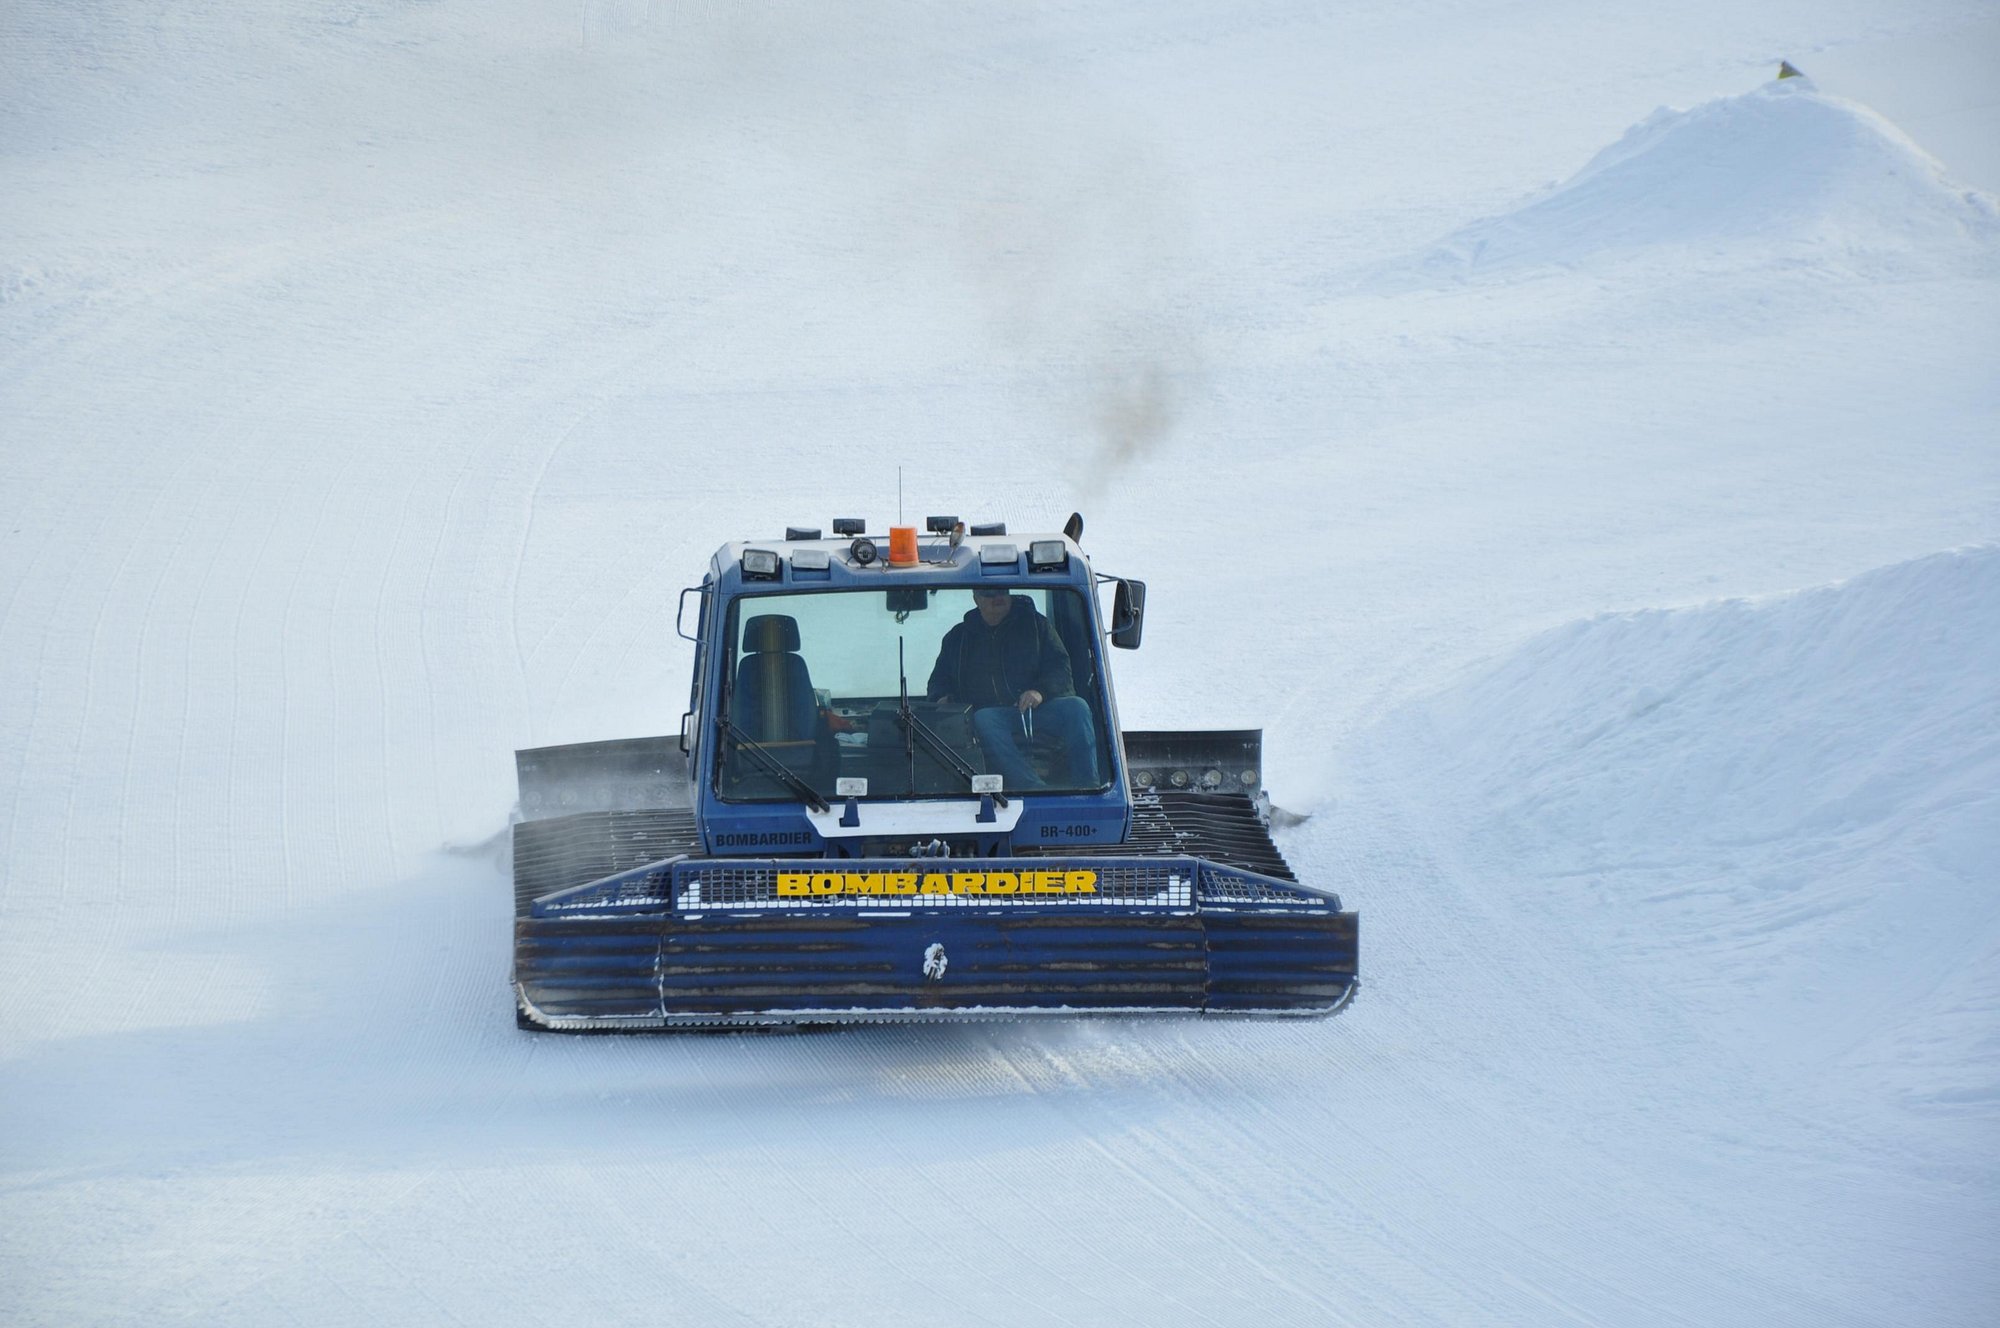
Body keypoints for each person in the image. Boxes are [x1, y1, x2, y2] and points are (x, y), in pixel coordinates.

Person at [926, 587, 1102, 790]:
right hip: (992, 717)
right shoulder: (958, 637)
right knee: (984, 718)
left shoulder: (1037, 626)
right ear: (976, 599)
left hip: (1038, 710)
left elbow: (1060, 667)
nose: (997, 597)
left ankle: (1089, 787)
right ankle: (1033, 788)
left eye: (1002, 591)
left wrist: (1040, 691)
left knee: (1077, 707)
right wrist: (941, 698)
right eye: (989, 593)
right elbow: (938, 681)